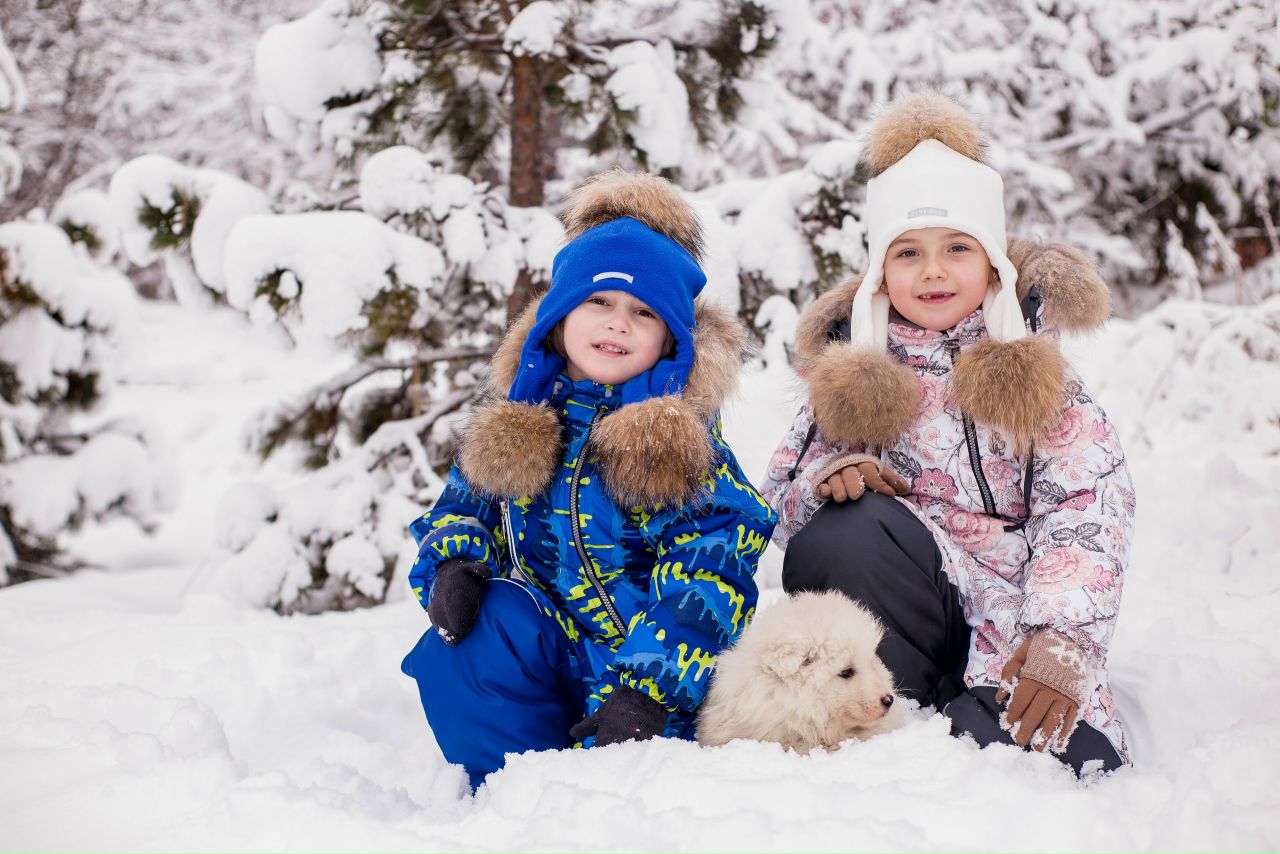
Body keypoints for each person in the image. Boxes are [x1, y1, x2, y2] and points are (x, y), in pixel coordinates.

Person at [760, 92, 1135, 775]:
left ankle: (982, 708)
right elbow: (779, 510)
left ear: (992, 263)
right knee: (845, 529)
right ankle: (900, 707)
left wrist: (1063, 634)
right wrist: (824, 483)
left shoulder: (1038, 377)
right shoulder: (854, 372)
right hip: (898, 618)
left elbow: (1090, 506)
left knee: (1068, 764)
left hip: (1015, 620)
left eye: (957, 248)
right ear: (881, 271)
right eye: (908, 252)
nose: (933, 271)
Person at [401, 170, 776, 789]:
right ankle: (517, 785)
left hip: (648, 687)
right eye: (598, 302)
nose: (617, 324)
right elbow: (461, 507)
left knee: (635, 764)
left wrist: (649, 686)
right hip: (548, 656)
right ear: (558, 317)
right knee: (468, 641)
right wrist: (452, 564)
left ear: (671, 342)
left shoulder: (683, 448)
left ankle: (612, 786)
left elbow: (714, 569)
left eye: (643, 313)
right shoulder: (519, 422)